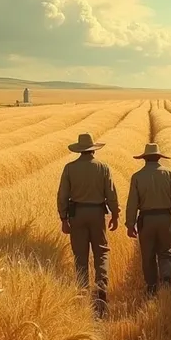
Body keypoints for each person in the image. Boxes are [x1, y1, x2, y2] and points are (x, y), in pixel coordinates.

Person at [57, 132, 119, 317]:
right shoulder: (103, 168)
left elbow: (62, 196)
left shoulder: (69, 168)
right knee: (101, 252)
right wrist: (115, 214)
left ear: (79, 150)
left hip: (77, 215)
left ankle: (83, 291)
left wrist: (64, 219)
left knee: (80, 255)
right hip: (98, 213)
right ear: (93, 150)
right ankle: (101, 289)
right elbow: (111, 194)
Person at [125, 143, 171, 296]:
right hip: (165, 219)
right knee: (166, 252)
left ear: (144, 159)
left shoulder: (137, 177)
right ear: (159, 158)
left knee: (148, 254)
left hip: (146, 221)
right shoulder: (169, 174)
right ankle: (166, 281)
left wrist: (130, 224)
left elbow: (132, 203)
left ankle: (151, 287)